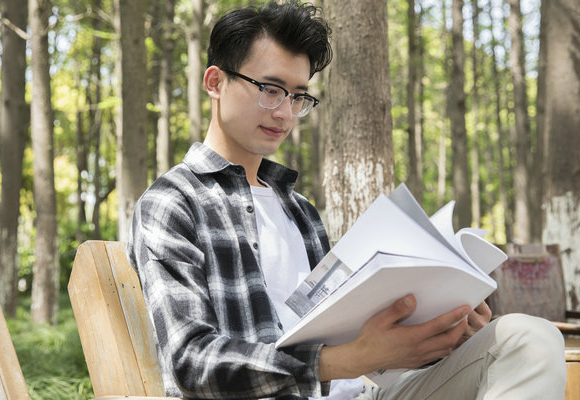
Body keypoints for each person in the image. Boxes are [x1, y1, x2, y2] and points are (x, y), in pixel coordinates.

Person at [127, 1, 567, 399]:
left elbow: (365, 353)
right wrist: (338, 361)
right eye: (270, 88)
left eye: (298, 96)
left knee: (528, 339)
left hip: (365, 394)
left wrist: (441, 334)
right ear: (215, 82)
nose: (284, 112)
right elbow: (190, 360)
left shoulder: (300, 212)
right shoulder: (174, 203)